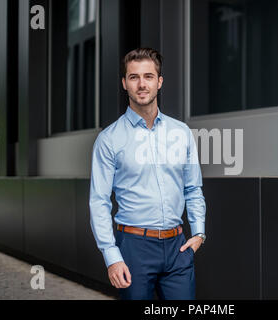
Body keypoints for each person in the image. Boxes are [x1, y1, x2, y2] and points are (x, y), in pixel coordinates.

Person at [89, 48, 206, 300]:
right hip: (133, 248)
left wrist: (198, 232)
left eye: (149, 76)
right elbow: (98, 201)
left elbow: (193, 188)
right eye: (134, 77)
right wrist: (112, 256)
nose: (142, 84)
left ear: (159, 82)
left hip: (178, 247)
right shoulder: (109, 140)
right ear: (124, 83)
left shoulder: (182, 132)